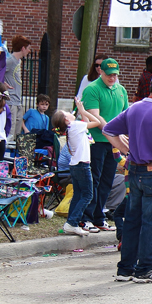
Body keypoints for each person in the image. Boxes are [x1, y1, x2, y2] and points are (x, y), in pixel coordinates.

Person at [102, 72, 152, 282]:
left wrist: (127, 150)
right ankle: (144, 269)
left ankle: (125, 268)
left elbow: (108, 130)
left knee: (133, 221)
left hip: (134, 170)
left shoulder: (134, 108)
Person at [81, 58, 128, 233]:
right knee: (94, 179)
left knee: (107, 180)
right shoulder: (92, 89)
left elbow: (125, 115)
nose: (112, 78)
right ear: (101, 71)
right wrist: (114, 133)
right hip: (96, 142)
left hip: (113, 143)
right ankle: (86, 217)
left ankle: (98, 216)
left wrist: (123, 135)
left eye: (115, 74)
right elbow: (95, 116)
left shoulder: (121, 90)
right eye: (109, 74)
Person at [51, 100, 107, 236]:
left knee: (78, 195)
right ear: (66, 119)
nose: (70, 113)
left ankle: (70, 223)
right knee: (88, 195)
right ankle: (72, 223)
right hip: (82, 165)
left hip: (76, 165)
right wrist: (83, 111)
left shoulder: (74, 127)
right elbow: (97, 122)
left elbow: (87, 123)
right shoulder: (75, 125)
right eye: (67, 113)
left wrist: (83, 112)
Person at [4, 34, 31, 142]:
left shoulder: (18, 61)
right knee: (10, 132)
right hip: (10, 101)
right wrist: (3, 83)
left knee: (16, 132)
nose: (29, 51)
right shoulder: (9, 60)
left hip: (18, 100)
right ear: (23, 48)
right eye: (28, 48)